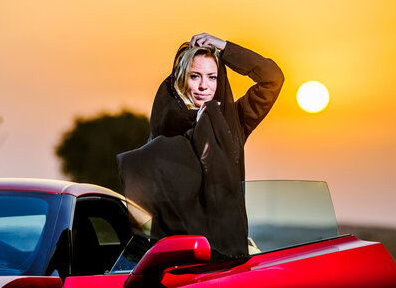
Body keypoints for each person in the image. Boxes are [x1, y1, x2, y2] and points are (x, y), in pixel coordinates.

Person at [118, 33, 283, 259]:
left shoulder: (234, 121)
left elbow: (272, 78)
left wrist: (224, 47)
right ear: (182, 79)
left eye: (212, 77)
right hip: (177, 256)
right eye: (195, 76)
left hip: (228, 256)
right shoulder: (166, 124)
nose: (204, 86)